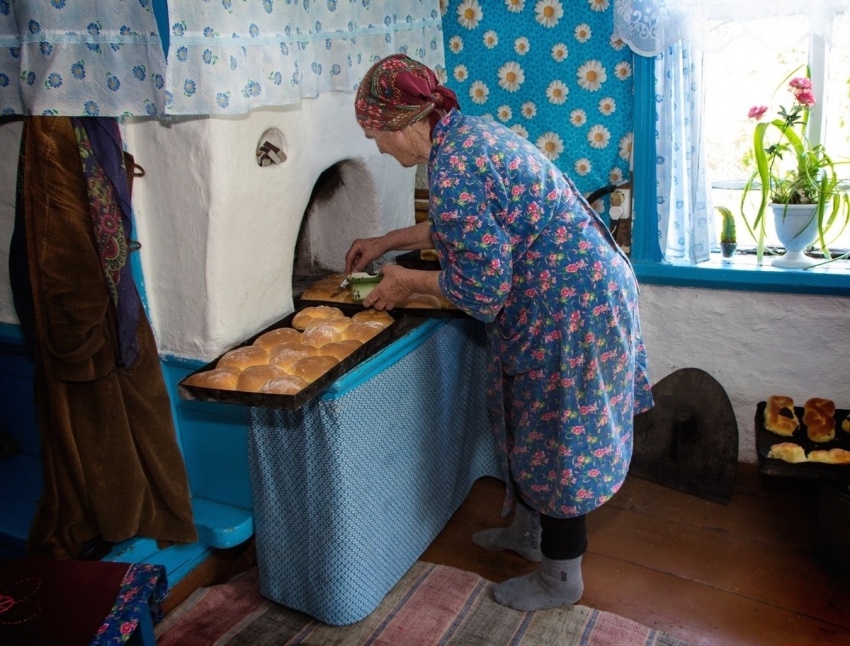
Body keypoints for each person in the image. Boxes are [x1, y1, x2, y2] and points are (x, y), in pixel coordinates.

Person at [346, 54, 654, 611]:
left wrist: (406, 282)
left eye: (375, 136)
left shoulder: (454, 165)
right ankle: (529, 534)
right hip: (578, 290)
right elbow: (462, 223)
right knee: (530, 421)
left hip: (571, 308)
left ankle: (561, 577)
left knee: (558, 434)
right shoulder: (463, 137)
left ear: (402, 123)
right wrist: (387, 241)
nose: (378, 149)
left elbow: (483, 290)